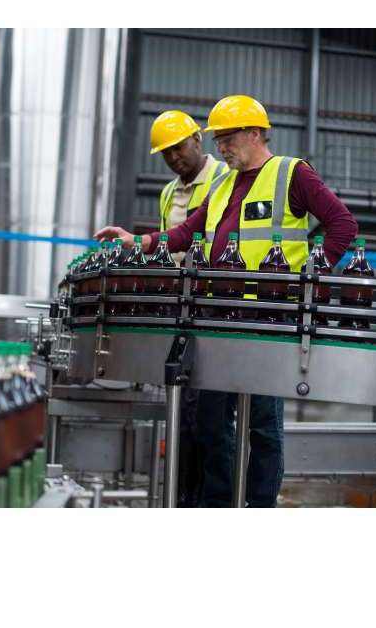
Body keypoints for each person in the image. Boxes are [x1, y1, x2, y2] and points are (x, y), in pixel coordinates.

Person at [96, 94, 358, 507]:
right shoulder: (222, 185)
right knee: (211, 422)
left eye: (227, 138)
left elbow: (342, 224)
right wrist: (138, 241)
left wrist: (311, 273)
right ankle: (218, 507)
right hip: (218, 320)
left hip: (267, 321)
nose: (220, 147)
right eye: (217, 140)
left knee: (263, 426)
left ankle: (259, 505)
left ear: (254, 133)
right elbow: (185, 234)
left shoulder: (291, 174)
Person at [149, 110, 228, 506]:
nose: (174, 158)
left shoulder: (224, 178)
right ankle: (182, 499)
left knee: (209, 416)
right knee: (181, 410)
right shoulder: (167, 193)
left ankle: (210, 502)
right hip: (180, 307)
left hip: (214, 305)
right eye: (166, 153)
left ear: (198, 139)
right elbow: (171, 243)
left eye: (178, 148)